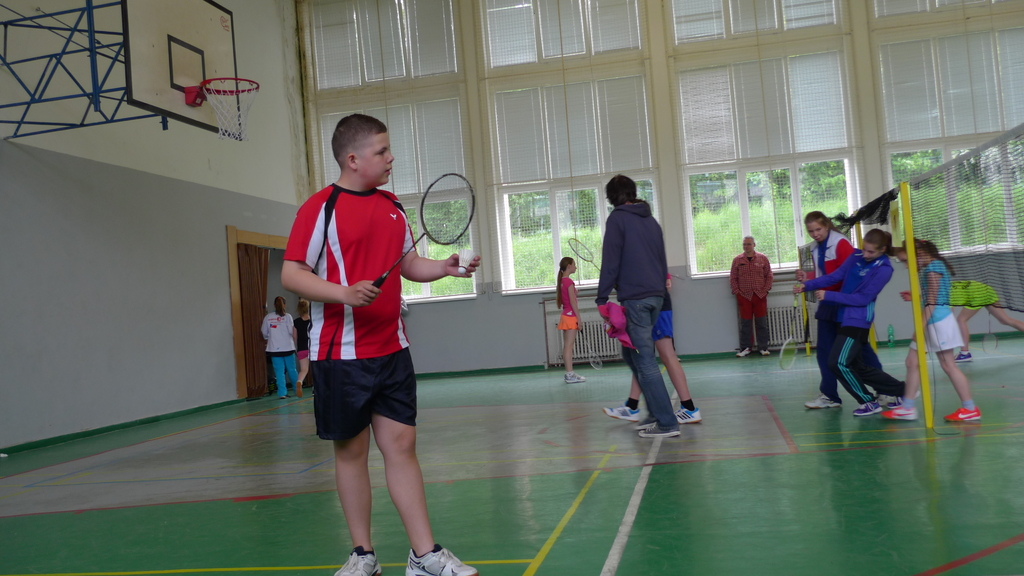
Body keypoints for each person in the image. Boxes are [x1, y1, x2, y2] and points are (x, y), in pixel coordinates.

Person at [281, 114, 479, 576]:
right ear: (353, 159)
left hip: (392, 349)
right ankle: (362, 555)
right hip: (341, 355)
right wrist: (343, 293)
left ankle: (424, 555)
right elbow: (292, 273)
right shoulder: (319, 209)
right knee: (351, 453)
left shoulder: (393, 205)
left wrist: (444, 268)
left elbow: (408, 264)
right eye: (382, 151)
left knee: (402, 446)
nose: (391, 159)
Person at [596, 174, 679, 438]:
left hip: (637, 300)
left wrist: (601, 298)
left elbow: (610, 260)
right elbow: (661, 261)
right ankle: (654, 413)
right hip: (655, 297)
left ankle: (667, 423)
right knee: (631, 353)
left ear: (611, 197)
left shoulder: (617, 219)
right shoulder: (651, 221)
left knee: (644, 360)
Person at [794, 229, 905, 417]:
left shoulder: (884, 269)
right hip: (843, 317)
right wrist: (807, 285)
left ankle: (868, 401)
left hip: (858, 321)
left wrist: (830, 295)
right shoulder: (856, 256)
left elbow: (863, 299)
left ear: (882, 249)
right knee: (859, 367)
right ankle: (901, 391)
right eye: (864, 249)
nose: (866, 254)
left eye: (871, 252)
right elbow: (834, 276)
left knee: (837, 362)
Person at [883, 241, 980, 422]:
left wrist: (919, 328)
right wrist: (917, 297)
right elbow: (935, 296)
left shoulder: (933, 268)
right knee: (912, 362)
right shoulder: (932, 267)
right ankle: (907, 408)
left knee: (948, 365)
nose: (906, 266)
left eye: (906, 261)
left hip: (938, 323)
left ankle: (970, 408)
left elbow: (933, 302)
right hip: (932, 321)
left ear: (919, 253)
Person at [602, 287, 701, 424]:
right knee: (642, 357)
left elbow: (665, 283)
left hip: (655, 303)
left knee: (667, 355)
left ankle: (689, 408)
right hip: (646, 303)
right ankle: (631, 406)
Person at [949, 280, 1024, 362]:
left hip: (977, 294)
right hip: (987, 290)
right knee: (1005, 320)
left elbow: (948, 317)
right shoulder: (945, 288)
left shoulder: (942, 294)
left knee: (961, 320)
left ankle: (964, 353)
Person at [730, 236, 773, 357]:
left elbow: (769, 275)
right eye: (744, 244)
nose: (746, 246)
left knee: (761, 323)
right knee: (745, 324)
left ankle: (763, 348)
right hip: (744, 297)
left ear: (754, 245)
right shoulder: (737, 260)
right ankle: (746, 348)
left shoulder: (763, 258)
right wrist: (737, 292)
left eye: (748, 244)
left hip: (760, 296)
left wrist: (765, 289)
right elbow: (733, 277)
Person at [262, 296, 299, 400]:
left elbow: (264, 332)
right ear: (285, 305)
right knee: (292, 370)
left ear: (274, 305)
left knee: (279, 372)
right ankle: (297, 391)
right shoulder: (288, 317)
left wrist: (270, 336)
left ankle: (282, 393)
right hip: (288, 348)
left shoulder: (268, 317)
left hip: (274, 349)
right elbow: (291, 332)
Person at [556, 257, 586, 383]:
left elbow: (567, 298)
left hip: (565, 315)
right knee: (569, 347)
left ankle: (570, 373)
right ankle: (569, 375)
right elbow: (573, 303)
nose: (576, 267)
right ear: (569, 266)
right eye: (574, 264)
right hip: (570, 317)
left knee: (567, 346)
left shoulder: (562, 281)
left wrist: (574, 293)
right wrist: (579, 319)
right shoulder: (569, 281)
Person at [294, 298, 312, 395]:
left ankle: (299, 381)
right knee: (315, 370)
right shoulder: (312, 320)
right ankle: (315, 389)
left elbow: (294, 337)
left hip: (301, 348)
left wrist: (297, 347)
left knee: (304, 370)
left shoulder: (296, 322)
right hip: (312, 347)